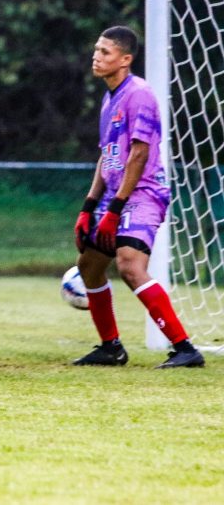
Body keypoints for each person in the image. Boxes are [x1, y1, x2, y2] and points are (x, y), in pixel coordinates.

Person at [72, 26, 204, 368]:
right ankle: (111, 348)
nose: (96, 57)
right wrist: (89, 205)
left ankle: (185, 349)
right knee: (89, 267)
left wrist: (115, 208)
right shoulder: (108, 98)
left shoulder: (139, 94)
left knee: (130, 265)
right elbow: (109, 155)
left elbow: (139, 155)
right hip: (114, 195)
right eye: (96, 50)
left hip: (142, 194)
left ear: (125, 59)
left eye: (105, 52)